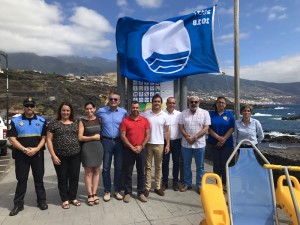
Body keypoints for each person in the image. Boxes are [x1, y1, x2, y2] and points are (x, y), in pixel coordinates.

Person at [7, 97, 48, 216]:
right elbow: (12, 139)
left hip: (37, 154)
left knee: (39, 179)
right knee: (21, 180)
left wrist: (36, 149)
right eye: (27, 105)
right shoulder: (15, 121)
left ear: (34, 107)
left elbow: (44, 138)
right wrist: (25, 149)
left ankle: (42, 201)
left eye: (31, 105)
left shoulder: (41, 120)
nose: (29, 108)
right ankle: (18, 204)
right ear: (24, 107)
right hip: (21, 155)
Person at [47, 102, 81, 209]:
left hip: (75, 155)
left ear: (70, 111)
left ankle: (73, 197)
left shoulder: (76, 122)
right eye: (63, 110)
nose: (65, 112)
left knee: (74, 177)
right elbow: (49, 139)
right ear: (60, 111)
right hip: (60, 156)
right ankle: (65, 199)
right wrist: (53, 156)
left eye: (67, 110)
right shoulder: (54, 123)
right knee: (62, 178)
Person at [95, 92, 127, 202]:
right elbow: (92, 119)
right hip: (106, 142)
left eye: (115, 99)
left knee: (118, 168)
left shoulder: (124, 112)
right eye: (111, 99)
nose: (113, 101)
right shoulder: (101, 111)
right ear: (108, 100)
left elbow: (127, 125)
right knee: (106, 168)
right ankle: (107, 190)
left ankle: (117, 190)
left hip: (119, 142)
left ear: (119, 101)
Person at [179, 95, 211, 194]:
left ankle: (199, 185)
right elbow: (181, 127)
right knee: (186, 165)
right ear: (189, 102)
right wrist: (187, 137)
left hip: (199, 144)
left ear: (199, 103)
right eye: (191, 102)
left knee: (200, 166)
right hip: (186, 143)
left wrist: (195, 137)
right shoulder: (183, 113)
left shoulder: (205, 113)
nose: (193, 103)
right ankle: (188, 184)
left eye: (195, 102)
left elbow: (206, 128)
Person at [120, 101, 150, 203]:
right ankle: (128, 192)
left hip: (141, 150)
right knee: (128, 172)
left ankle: (140, 192)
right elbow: (123, 136)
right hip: (128, 150)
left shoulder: (145, 120)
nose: (135, 109)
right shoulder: (125, 121)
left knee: (141, 172)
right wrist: (131, 146)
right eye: (133, 108)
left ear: (139, 109)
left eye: (137, 108)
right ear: (130, 108)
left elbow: (147, 135)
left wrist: (141, 146)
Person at [142, 94, 170, 197]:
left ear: (161, 103)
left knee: (158, 166)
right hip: (148, 144)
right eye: (155, 101)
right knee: (148, 167)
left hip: (160, 144)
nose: (157, 103)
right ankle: (147, 187)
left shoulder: (165, 115)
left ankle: (157, 187)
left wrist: (168, 145)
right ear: (152, 102)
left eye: (158, 101)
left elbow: (167, 131)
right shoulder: (146, 114)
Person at [78, 102, 103, 206]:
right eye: (87, 109)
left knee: (96, 171)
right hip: (87, 148)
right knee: (88, 171)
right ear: (85, 109)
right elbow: (80, 137)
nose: (89, 111)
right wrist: (93, 137)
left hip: (98, 147)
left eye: (91, 108)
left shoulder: (99, 119)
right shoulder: (82, 121)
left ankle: (94, 193)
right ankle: (89, 195)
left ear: (95, 109)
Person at [207, 96, 234, 187]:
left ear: (225, 105)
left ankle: (225, 184)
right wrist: (218, 138)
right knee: (216, 165)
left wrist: (223, 139)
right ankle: (218, 184)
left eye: (223, 102)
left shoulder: (229, 114)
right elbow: (208, 128)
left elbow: (232, 128)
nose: (221, 104)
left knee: (225, 164)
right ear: (216, 103)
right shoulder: (210, 114)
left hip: (227, 144)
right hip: (213, 143)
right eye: (219, 102)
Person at [161, 97, 182, 191]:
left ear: (175, 104)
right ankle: (164, 183)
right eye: (170, 103)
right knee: (165, 162)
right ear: (166, 103)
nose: (171, 105)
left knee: (176, 162)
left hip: (177, 141)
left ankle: (175, 183)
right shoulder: (162, 114)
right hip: (165, 141)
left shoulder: (179, 114)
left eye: (173, 103)